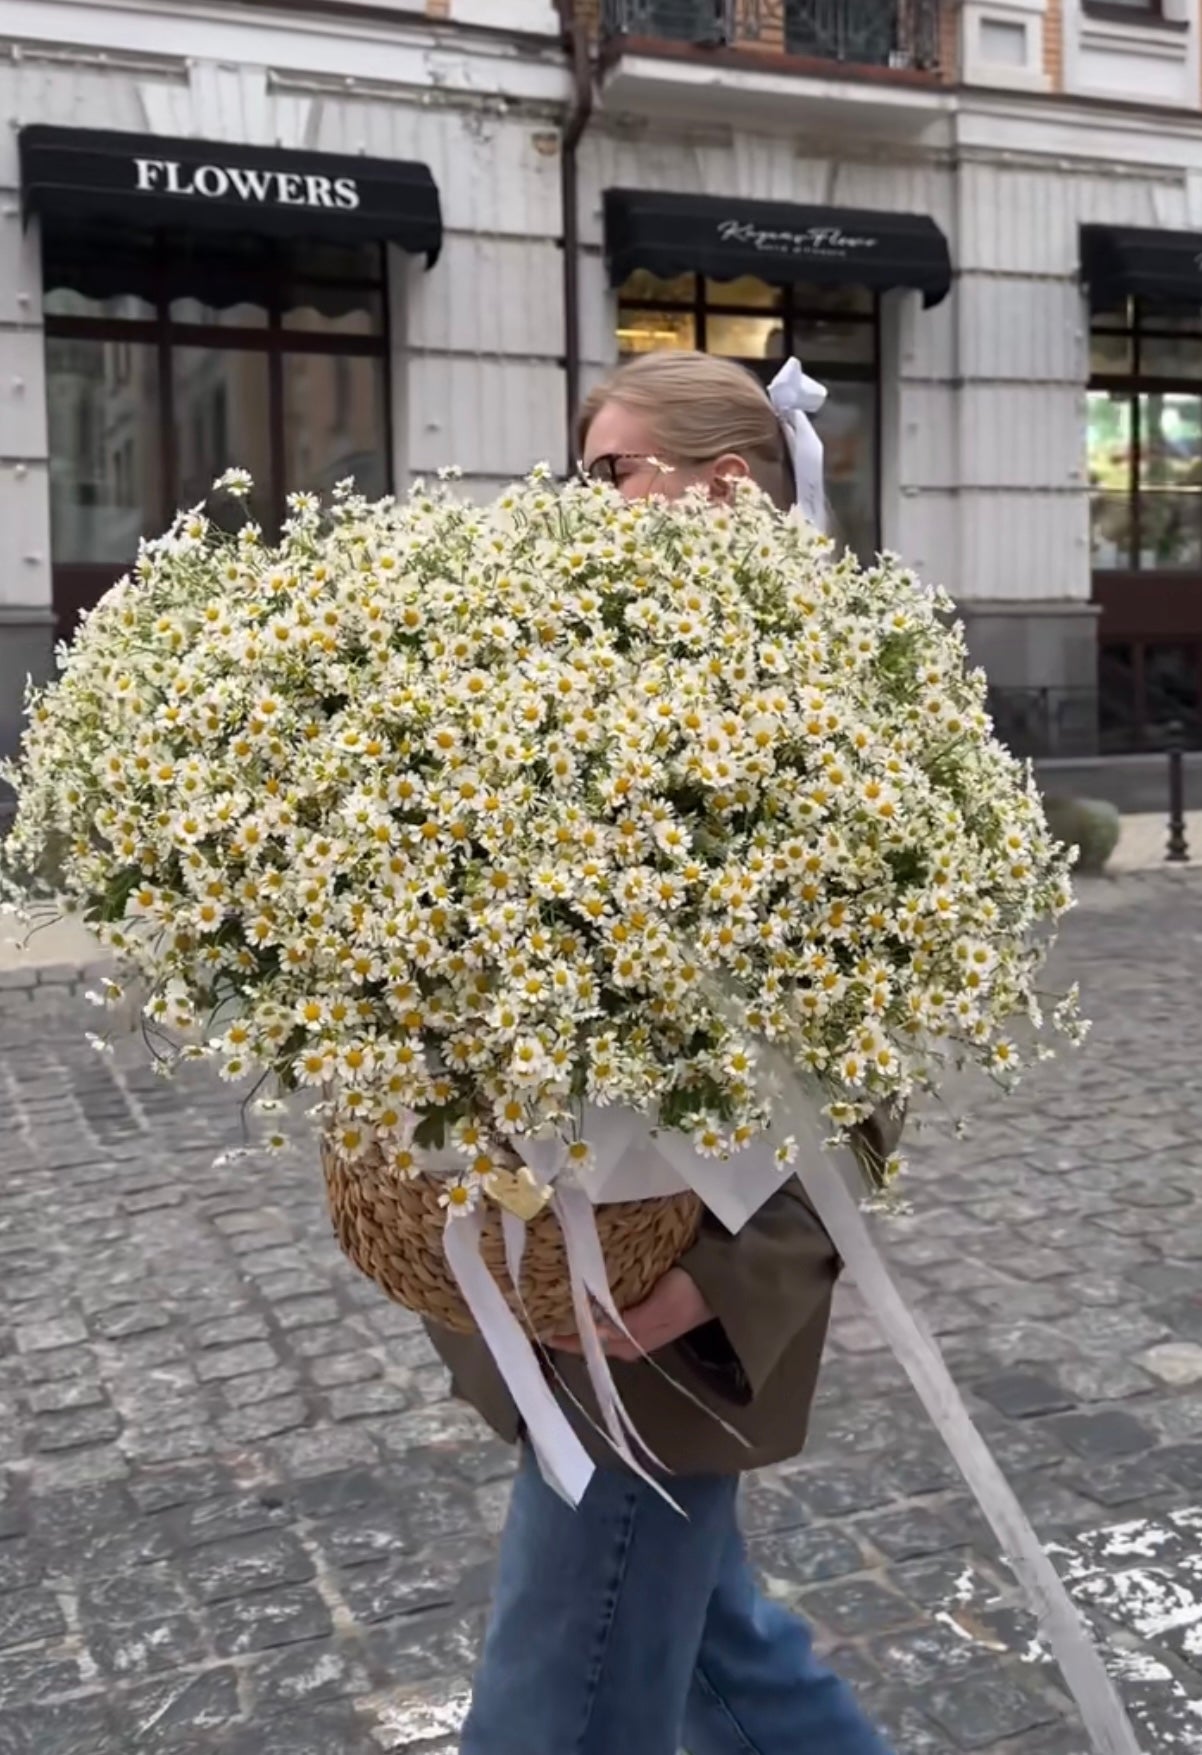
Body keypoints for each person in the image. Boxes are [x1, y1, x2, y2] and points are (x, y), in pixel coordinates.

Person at [425, 350, 902, 1755]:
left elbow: (875, 1058)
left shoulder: (820, 715)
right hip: (576, 1270)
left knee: (553, 1703)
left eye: (606, 474)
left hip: (661, 1309)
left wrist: (719, 1279)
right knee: (723, 1662)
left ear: (724, 487)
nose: (582, 506)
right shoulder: (596, 685)